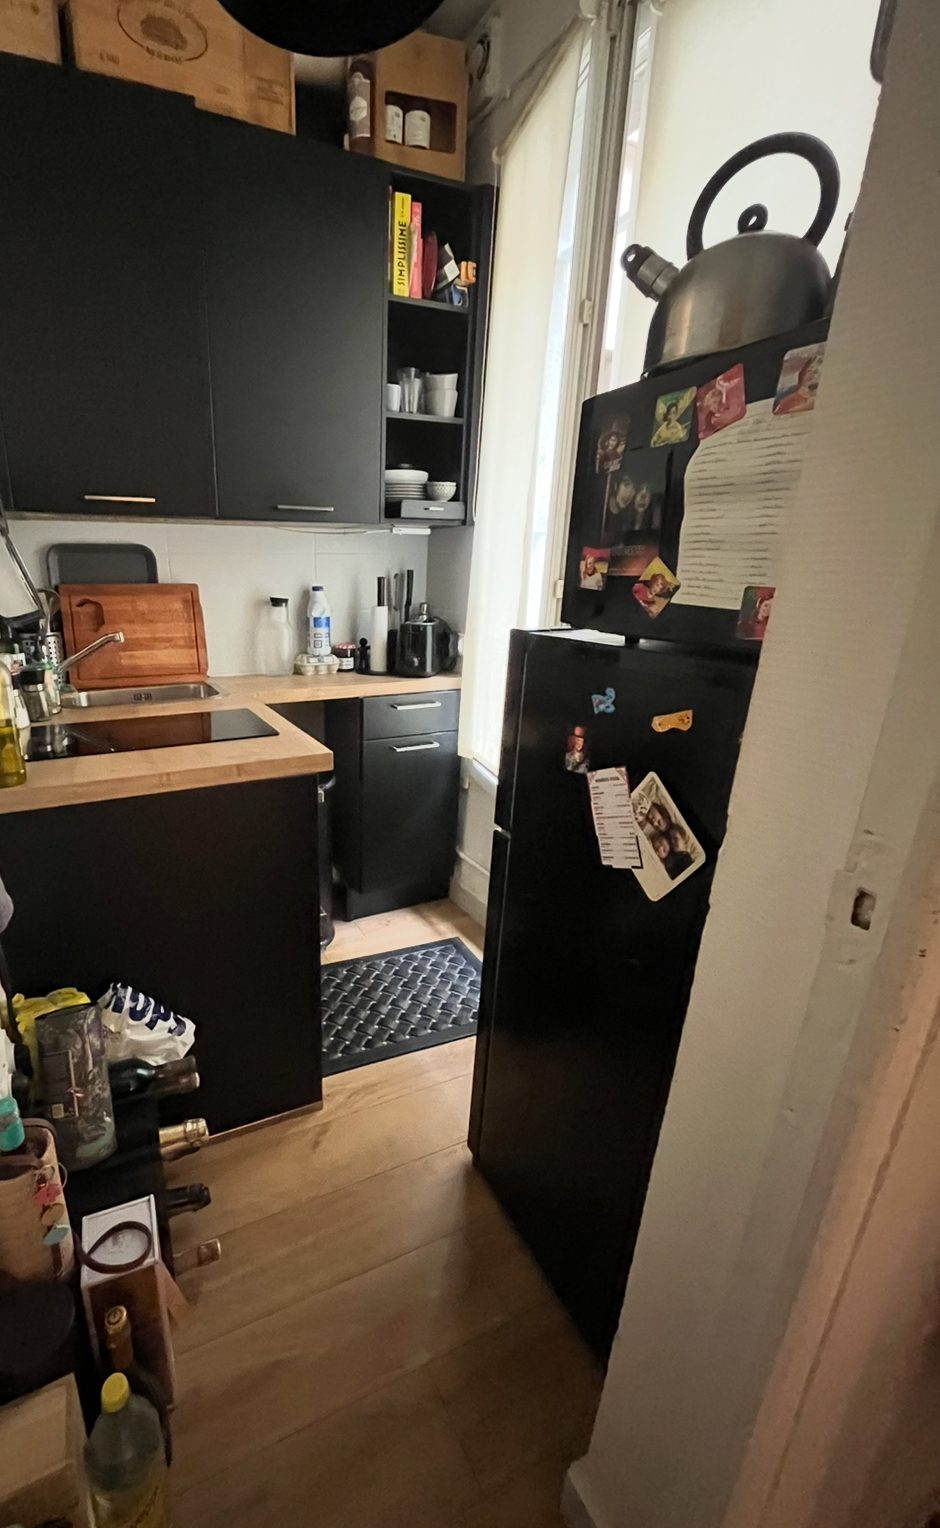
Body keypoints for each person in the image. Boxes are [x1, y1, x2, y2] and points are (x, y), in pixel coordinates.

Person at [775, 350, 824, 415]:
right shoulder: (791, 400)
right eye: (810, 370)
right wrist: (805, 407)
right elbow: (779, 415)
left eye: (816, 371)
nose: (813, 374)